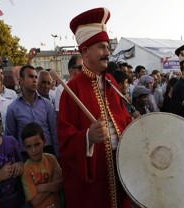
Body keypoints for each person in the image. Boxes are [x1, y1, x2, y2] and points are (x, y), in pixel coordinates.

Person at [58, 7, 133, 208]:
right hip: (94, 179)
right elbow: (65, 143)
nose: (107, 52)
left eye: (107, 47)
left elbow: (123, 118)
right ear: (84, 52)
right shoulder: (71, 90)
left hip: (121, 168)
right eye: (101, 47)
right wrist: (88, 137)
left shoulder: (111, 82)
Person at [6, 65, 58, 159]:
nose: (34, 80)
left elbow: (54, 132)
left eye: (35, 77)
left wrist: (57, 157)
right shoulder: (13, 108)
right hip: (26, 156)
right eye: (30, 76)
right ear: (21, 80)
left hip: (47, 152)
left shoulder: (47, 104)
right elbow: (11, 138)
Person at [21, 122, 62, 208]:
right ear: (24, 147)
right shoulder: (26, 170)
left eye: (37, 144)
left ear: (44, 141)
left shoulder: (51, 159)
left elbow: (60, 184)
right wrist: (52, 184)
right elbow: (35, 201)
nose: (34, 150)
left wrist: (40, 188)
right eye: (29, 146)